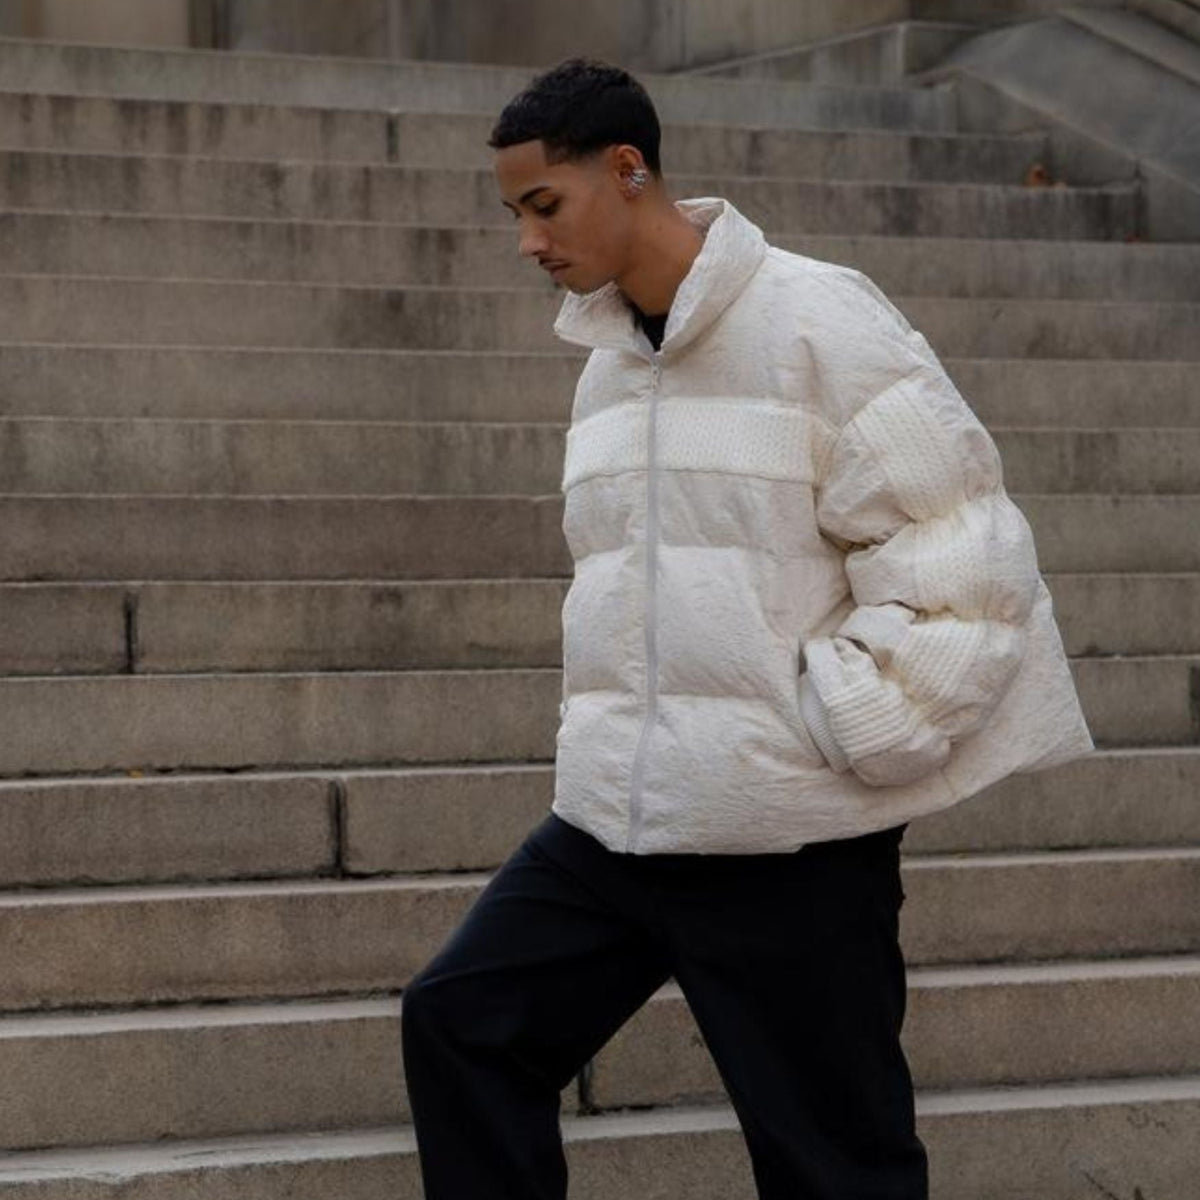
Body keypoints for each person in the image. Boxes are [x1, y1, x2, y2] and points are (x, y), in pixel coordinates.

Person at [400, 56, 1094, 1199]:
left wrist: (846, 726)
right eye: (513, 215)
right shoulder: (611, 363)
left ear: (627, 171)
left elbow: (963, 559)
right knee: (461, 1024)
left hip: (788, 838)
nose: (527, 241)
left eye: (543, 205)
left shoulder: (821, 319)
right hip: (615, 828)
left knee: (836, 1161)